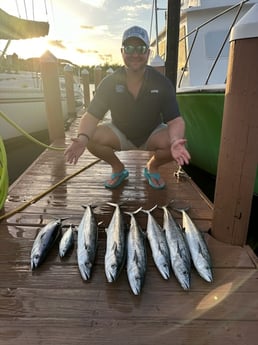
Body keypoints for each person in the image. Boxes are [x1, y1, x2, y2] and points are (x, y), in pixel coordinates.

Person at [64, 25, 190, 189]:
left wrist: (175, 141)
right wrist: (81, 139)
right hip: (120, 133)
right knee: (91, 138)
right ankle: (118, 168)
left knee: (177, 144)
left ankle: (152, 167)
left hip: (151, 134)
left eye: (141, 48)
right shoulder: (110, 82)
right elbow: (91, 116)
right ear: (122, 51)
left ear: (148, 52)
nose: (135, 54)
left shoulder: (161, 82)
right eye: (129, 48)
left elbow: (175, 121)